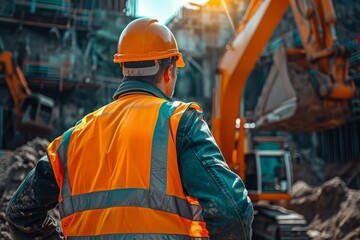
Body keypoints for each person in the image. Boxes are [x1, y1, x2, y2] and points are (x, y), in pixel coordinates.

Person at [6, 17, 253, 239]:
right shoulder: (180, 123)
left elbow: (20, 213)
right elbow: (232, 212)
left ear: (124, 69)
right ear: (169, 72)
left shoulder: (74, 138)